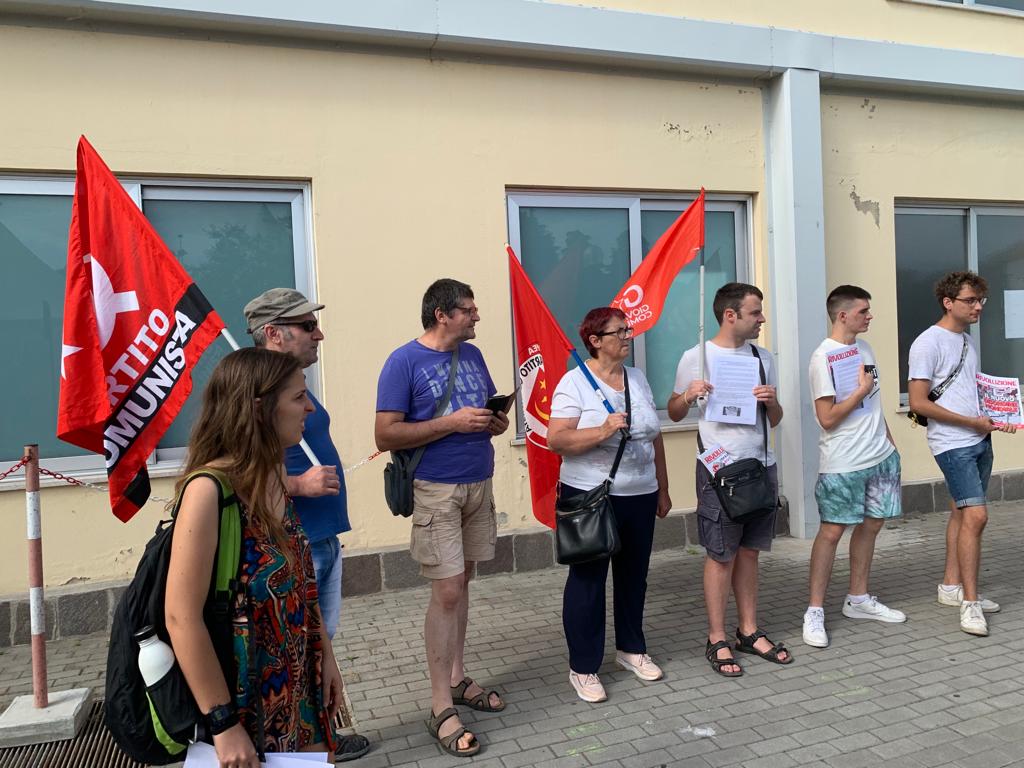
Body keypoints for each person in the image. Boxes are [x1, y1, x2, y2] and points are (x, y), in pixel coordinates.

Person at [165, 348, 340, 767]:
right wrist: (224, 724)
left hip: (299, 691)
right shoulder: (208, 491)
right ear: (260, 408)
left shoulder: (274, 476)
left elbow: (301, 586)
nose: (310, 408)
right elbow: (180, 617)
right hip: (242, 706)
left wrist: (326, 658)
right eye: (298, 397)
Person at [374, 279, 509, 757]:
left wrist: (496, 422)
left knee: (463, 581)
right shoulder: (403, 362)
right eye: (468, 310)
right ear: (442, 314)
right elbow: (385, 434)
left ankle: (456, 677)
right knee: (447, 590)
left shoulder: (472, 355)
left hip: (478, 482)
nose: (476, 316)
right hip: (435, 489)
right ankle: (439, 705)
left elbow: (484, 414)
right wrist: (452, 422)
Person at [244, 288, 371, 762]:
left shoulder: (293, 382)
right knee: (299, 651)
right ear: (273, 334)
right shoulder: (256, 392)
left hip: (321, 538)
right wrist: (298, 484)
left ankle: (320, 737)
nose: (318, 335)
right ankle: (307, 745)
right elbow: (239, 467)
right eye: (306, 326)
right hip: (292, 544)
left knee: (320, 647)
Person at [547, 307, 672, 703]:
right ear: (595, 341)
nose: (627, 336)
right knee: (588, 581)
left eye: (627, 329)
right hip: (590, 496)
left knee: (634, 576)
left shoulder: (637, 378)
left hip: (641, 492)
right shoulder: (574, 383)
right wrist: (601, 430)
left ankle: (631, 649)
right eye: (619, 332)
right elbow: (556, 440)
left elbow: (654, 436)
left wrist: (663, 487)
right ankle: (583, 667)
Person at [668, 282, 791, 677]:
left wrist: (772, 402)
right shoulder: (696, 357)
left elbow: (775, 419)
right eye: (755, 312)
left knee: (750, 552)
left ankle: (748, 630)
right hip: (718, 471)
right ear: (730, 315)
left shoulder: (762, 357)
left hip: (760, 466)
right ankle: (717, 636)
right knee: (721, 554)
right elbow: (673, 411)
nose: (762, 319)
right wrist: (688, 396)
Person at [908, 271, 1011, 636]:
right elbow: (918, 402)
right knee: (976, 517)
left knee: (960, 512)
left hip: (978, 438)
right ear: (948, 302)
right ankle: (970, 602)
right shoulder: (927, 343)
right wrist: (970, 422)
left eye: (980, 300)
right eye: (970, 300)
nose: (978, 306)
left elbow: (967, 391)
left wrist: (997, 416)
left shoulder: (966, 341)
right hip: (953, 443)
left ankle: (951, 587)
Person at [802, 285, 905, 649]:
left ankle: (858, 598)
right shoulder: (822, 358)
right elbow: (827, 418)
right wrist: (859, 392)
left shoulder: (865, 348)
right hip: (843, 462)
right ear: (843, 315)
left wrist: (891, 444)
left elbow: (874, 403)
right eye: (863, 311)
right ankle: (814, 610)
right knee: (832, 532)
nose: (869, 316)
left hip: (880, 456)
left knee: (872, 525)